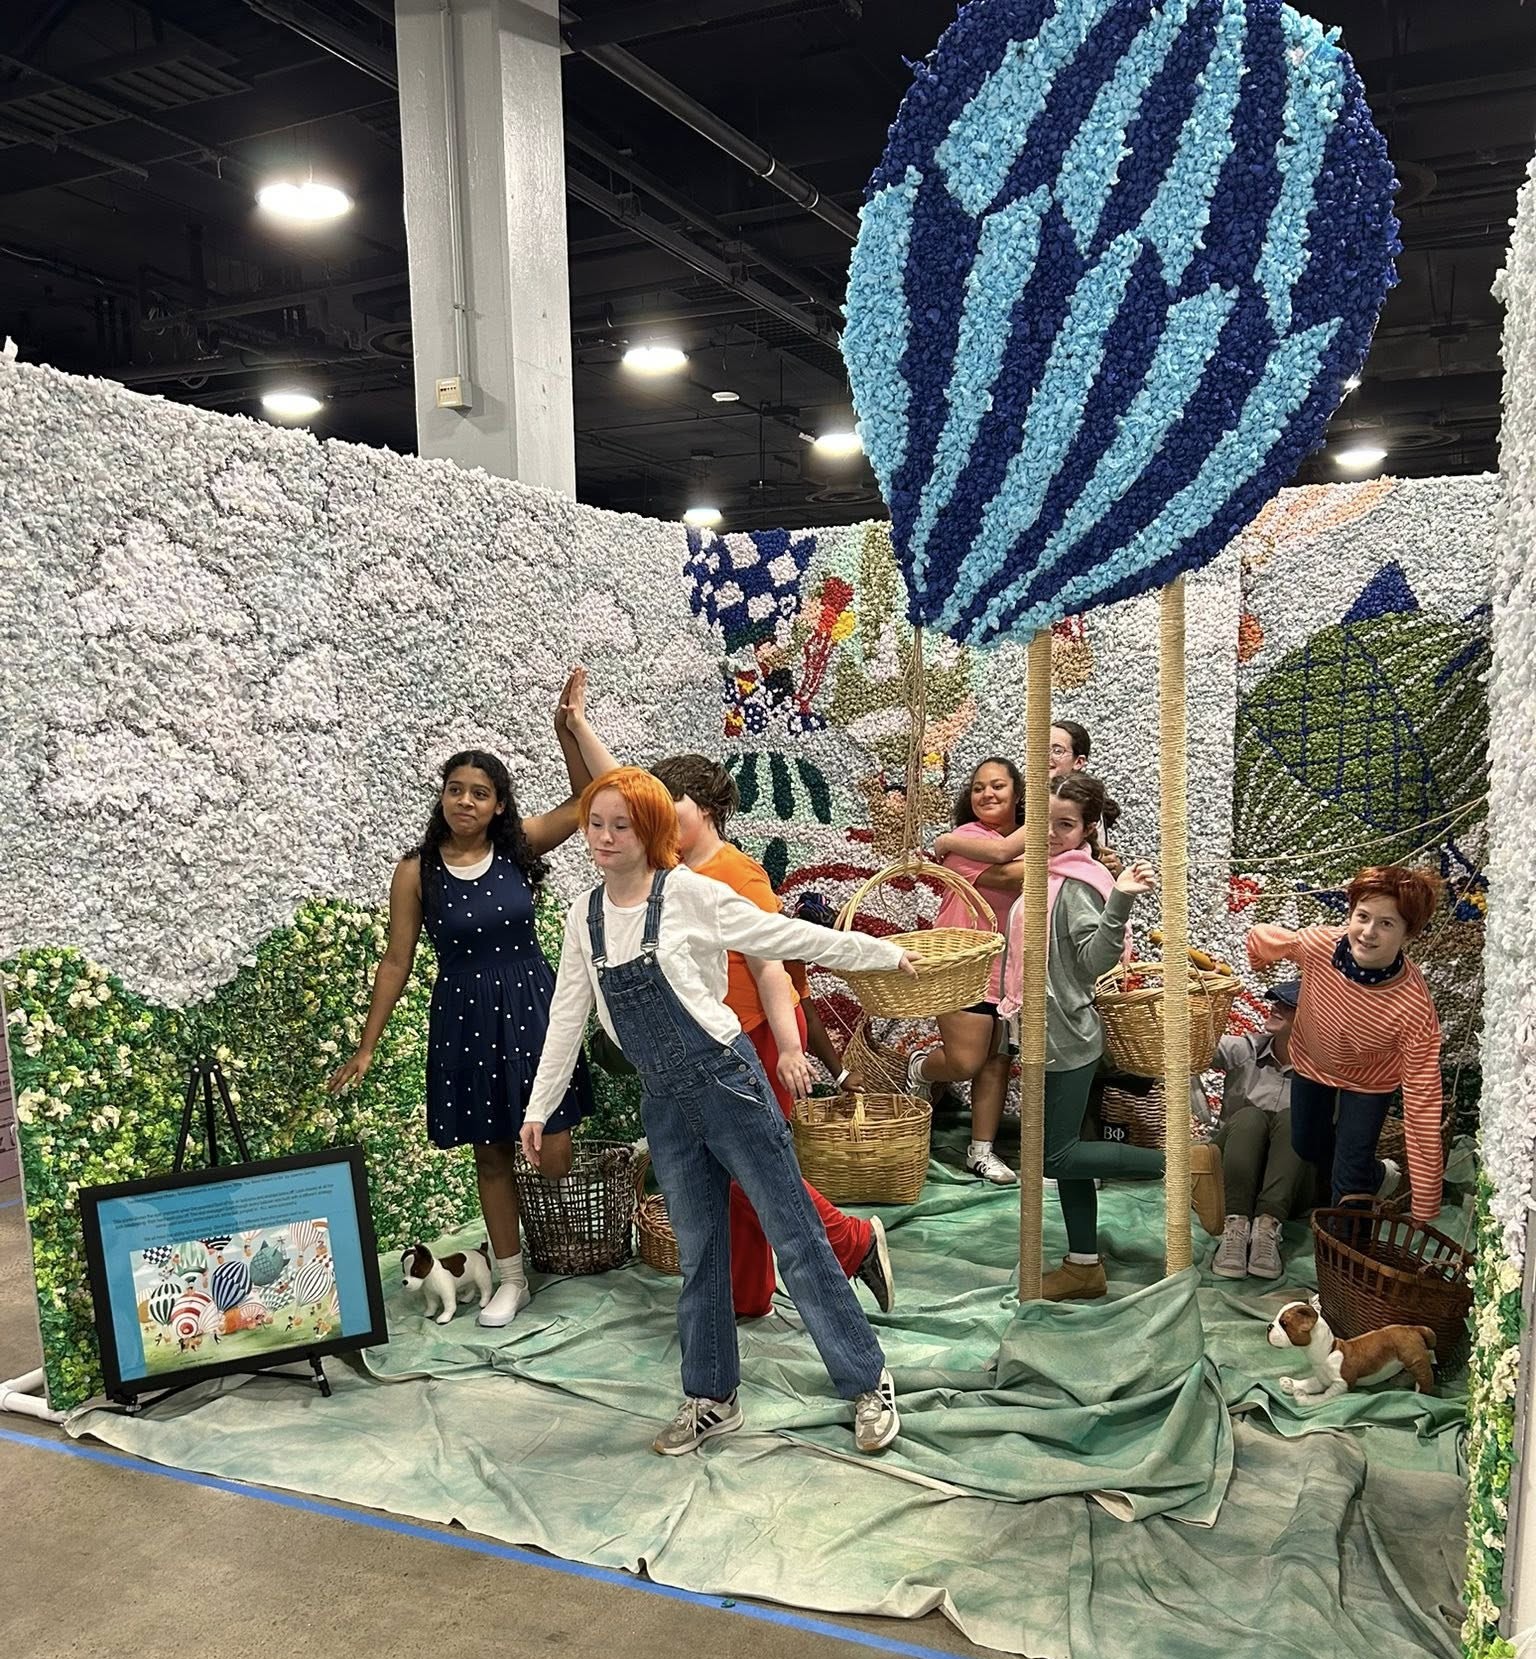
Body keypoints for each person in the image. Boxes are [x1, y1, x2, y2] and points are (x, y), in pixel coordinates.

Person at [521, 768, 916, 1456]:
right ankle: (711, 1397)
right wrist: (540, 1105)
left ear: (650, 829)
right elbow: (567, 1015)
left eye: (621, 825)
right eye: (595, 824)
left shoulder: (691, 893)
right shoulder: (583, 915)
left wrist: (880, 953)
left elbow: (783, 937)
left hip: (727, 1083)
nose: (605, 838)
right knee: (700, 1249)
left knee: (795, 1235)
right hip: (664, 1102)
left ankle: (866, 1380)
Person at [327, 673, 605, 1327]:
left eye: (480, 792)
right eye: (456, 789)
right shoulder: (415, 871)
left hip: (532, 1007)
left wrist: (567, 730)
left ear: (499, 805)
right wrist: (366, 1046)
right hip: (465, 1016)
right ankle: (511, 1277)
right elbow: (396, 960)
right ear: (442, 796)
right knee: (492, 1152)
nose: (465, 800)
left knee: (554, 1155)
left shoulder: (520, 847)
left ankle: (533, 1242)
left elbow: (585, 800)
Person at [649, 753, 894, 1319]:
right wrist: (578, 729)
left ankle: (852, 1240)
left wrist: (788, 1048)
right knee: (727, 1171)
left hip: (758, 1037)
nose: (658, 820)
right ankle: (748, 1293)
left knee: (750, 1166)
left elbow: (773, 969)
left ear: (706, 809)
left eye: (671, 806)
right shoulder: (669, 872)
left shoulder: (740, 876)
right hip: (708, 1042)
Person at [996, 775, 1224, 1300]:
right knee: (1065, 1155)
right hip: (1044, 1033)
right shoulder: (1045, 876)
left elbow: (1093, 962)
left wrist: (1119, 900)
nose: (1051, 833)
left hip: (1065, 1038)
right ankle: (1083, 1265)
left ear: (1087, 830)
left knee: (1054, 1157)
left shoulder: (1075, 884)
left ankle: (1183, 1162)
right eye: (1043, 821)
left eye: (1065, 824)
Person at [1247, 865, 1445, 1222]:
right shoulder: (1318, 945)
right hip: (1312, 1061)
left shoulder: (1414, 1007)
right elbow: (1265, 936)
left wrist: (1426, 1202)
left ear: (1408, 933)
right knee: (1306, 1146)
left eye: (1387, 923)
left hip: (1370, 1080)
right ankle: (1374, 1174)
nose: (1369, 932)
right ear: (1350, 915)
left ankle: (1349, 1241)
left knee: (1350, 1177)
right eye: (1362, 917)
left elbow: (1423, 1101)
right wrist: (1257, 959)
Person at [915, 758, 1028, 1183]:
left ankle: (981, 1151)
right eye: (978, 788)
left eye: (997, 786)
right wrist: (1068, 851)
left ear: (1017, 794)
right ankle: (920, 1069)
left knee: (997, 1061)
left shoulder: (1025, 843)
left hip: (1008, 970)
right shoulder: (965, 840)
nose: (987, 794)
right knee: (965, 1062)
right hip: (961, 966)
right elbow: (1013, 876)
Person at [1204, 983, 1316, 1280]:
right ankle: (1235, 1227)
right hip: (1231, 1180)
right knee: (1250, 1117)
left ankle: (1267, 1227)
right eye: (1275, 1000)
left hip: (1289, 1190)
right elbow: (1189, 1045)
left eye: (1288, 1005)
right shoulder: (1245, 1049)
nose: (1275, 1007)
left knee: (1295, 1118)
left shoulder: (1324, 1074)